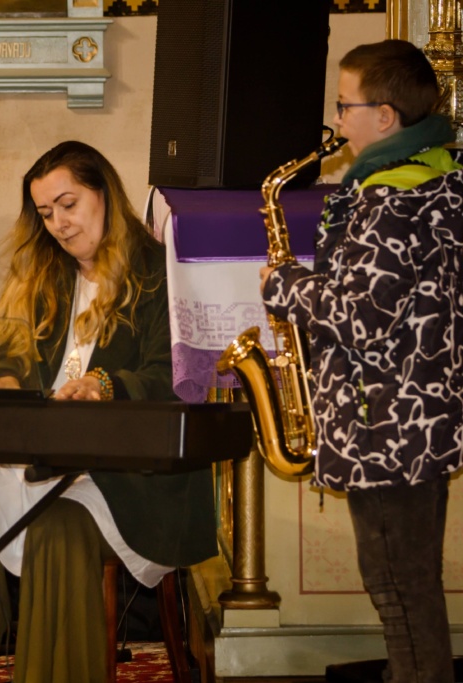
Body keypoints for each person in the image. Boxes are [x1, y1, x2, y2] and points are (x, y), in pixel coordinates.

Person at [0, 141, 216, 683]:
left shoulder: (158, 272)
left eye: (68, 205)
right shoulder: (42, 276)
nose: (58, 225)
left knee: (59, 526)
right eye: (46, 213)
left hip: (129, 471)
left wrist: (104, 384)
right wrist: (1, 380)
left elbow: (177, 376)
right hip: (46, 457)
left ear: (104, 193)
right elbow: (5, 352)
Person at [260, 40, 462, 683]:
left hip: (387, 424)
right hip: (415, 418)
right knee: (408, 585)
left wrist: (285, 284)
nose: (336, 120)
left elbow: (359, 318)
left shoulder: (390, 201)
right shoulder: (436, 177)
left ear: (385, 117)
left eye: (345, 106)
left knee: (398, 591)